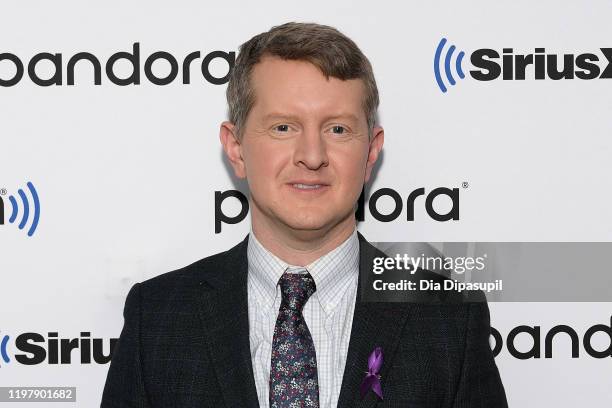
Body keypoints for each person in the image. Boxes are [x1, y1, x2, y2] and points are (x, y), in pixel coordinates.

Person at [101, 22, 508, 408]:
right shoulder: (157, 319)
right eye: (283, 128)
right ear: (236, 148)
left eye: (337, 130)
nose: (312, 156)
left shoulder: (449, 319)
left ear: (370, 152)